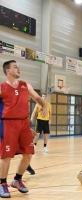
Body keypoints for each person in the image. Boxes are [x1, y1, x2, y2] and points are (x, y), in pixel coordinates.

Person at [0, 60, 47, 198]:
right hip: (7, 123)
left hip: (23, 123)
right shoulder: (2, 87)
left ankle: (17, 179)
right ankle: (2, 184)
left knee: (28, 154)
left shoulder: (25, 85)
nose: (18, 68)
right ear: (8, 70)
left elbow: (37, 97)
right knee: (6, 155)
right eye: (15, 67)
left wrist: (43, 106)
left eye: (18, 66)